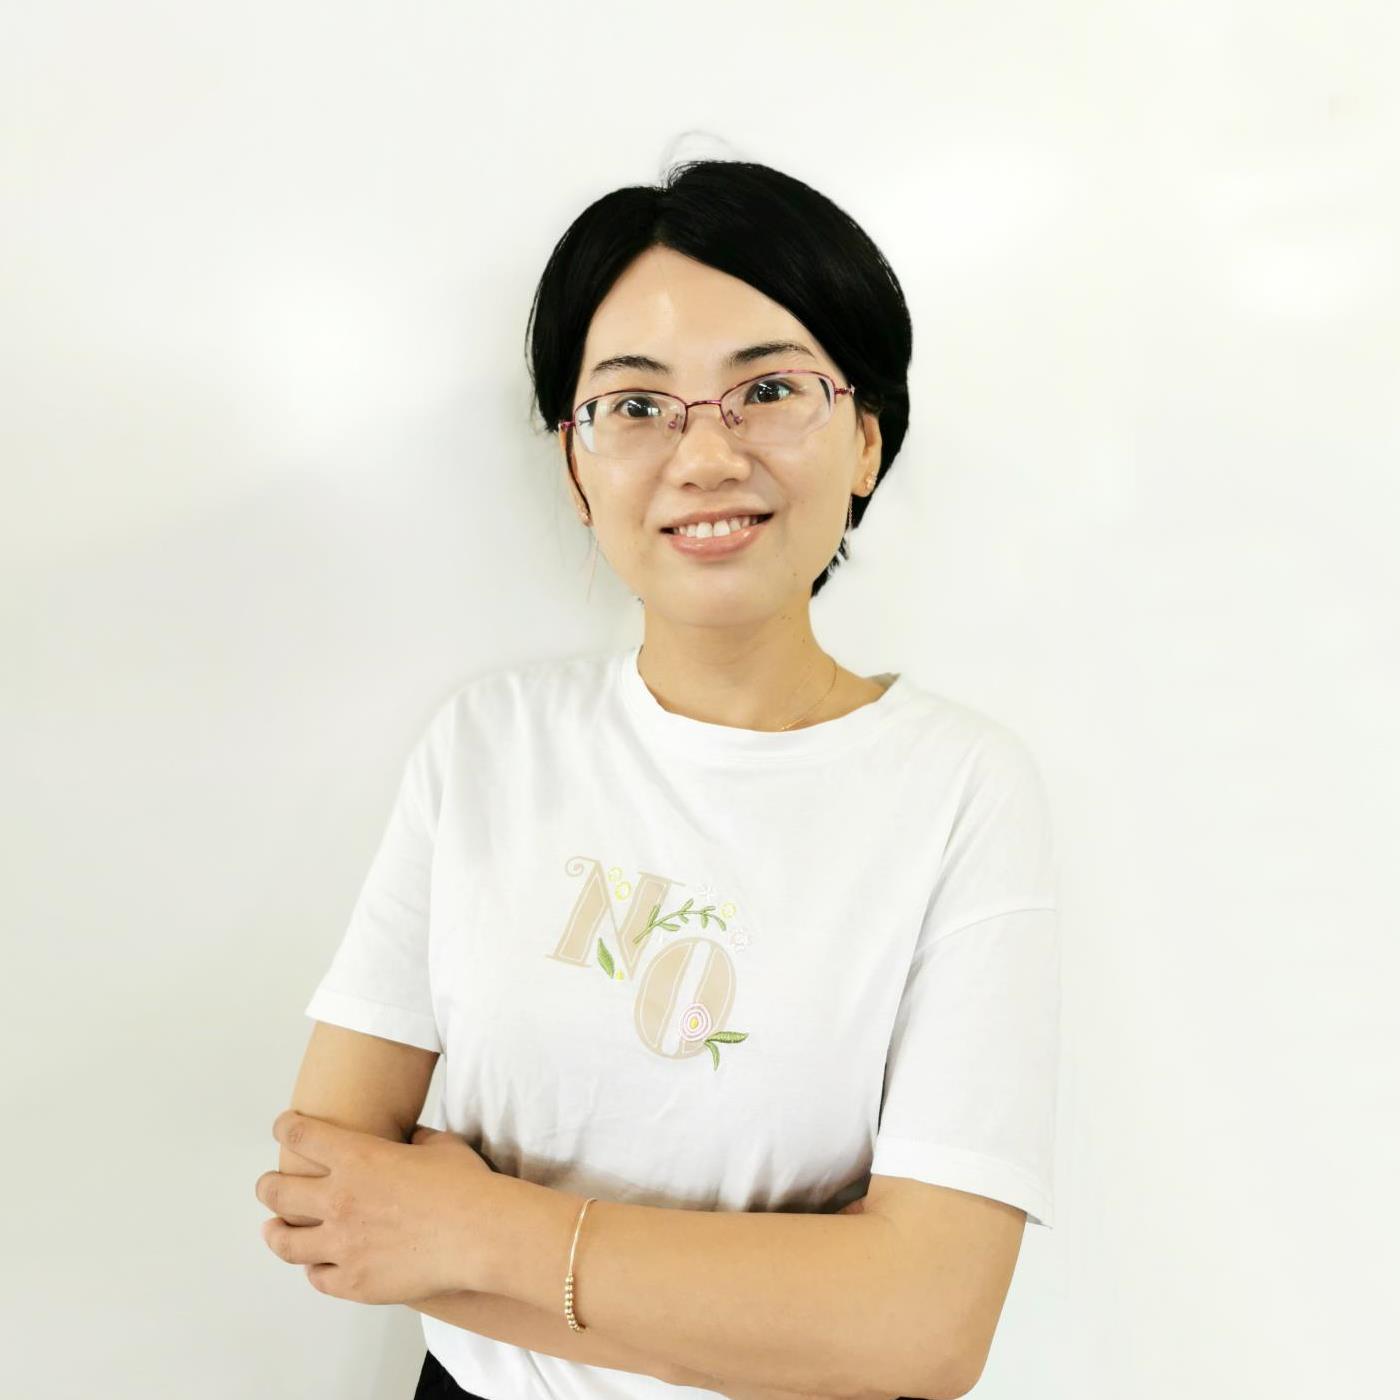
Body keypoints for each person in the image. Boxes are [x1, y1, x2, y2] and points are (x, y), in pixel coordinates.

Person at [300, 158, 1061, 1400]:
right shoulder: (487, 744)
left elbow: (925, 1326)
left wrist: (475, 1230)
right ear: (574, 466)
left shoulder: (959, 789)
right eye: (636, 404)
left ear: (865, 440)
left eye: (767, 390)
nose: (704, 456)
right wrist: (793, 1310)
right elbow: (331, 1196)